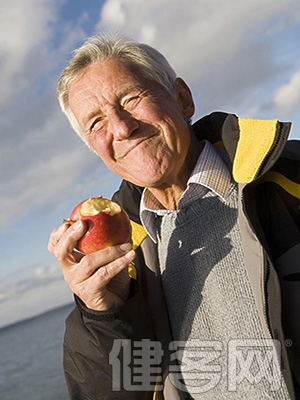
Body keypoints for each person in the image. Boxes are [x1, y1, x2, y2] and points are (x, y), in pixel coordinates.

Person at [48, 33, 300, 400]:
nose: (120, 127)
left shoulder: (290, 177)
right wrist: (105, 316)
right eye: (96, 123)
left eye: (131, 99)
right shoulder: (123, 260)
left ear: (182, 99)